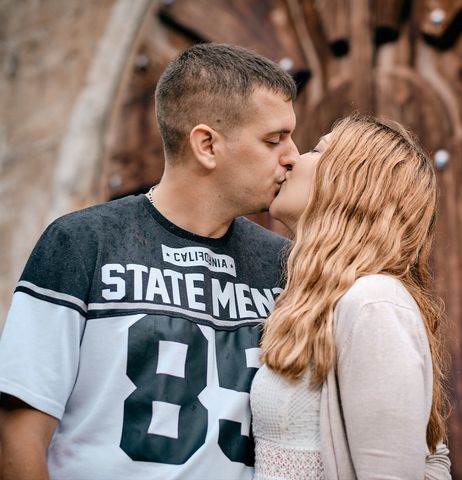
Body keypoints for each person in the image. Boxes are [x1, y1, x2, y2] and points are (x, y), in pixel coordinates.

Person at [0, 43, 298, 479]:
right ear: (207, 145)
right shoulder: (82, 242)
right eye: (273, 140)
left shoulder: (283, 264)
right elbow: (19, 435)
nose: (292, 156)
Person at [250, 115, 452, 479]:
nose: (293, 158)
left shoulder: (374, 303)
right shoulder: (316, 300)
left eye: (317, 149)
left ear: (353, 183)